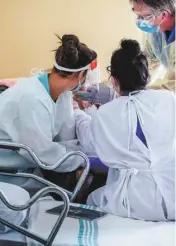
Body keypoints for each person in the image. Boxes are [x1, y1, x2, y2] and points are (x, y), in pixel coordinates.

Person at [0, 34, 98, 187]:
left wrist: (81, 144)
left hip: (5, 155)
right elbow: (44, 155)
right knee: (24, 200)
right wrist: (85, 158)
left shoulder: (62, 94)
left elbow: (64, 135)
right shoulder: (31, 98)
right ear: (80, 75)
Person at [75, 39, 175, 221]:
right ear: (147, 77)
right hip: (173, 192)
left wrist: (81, 111)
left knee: (92, 199)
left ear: (113, 80)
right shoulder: (169, 99)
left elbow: (88, 141)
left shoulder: (106, 113)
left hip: (137, 201)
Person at [130, 0, 175, 91]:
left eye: (144, 17)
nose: (140, 21)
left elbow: (173, 86)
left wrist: (143, 95)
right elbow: (149, 62)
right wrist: (127, 85)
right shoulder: (155, 32)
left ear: (164, 15)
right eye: (138, 16)